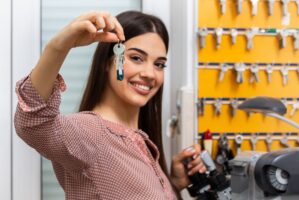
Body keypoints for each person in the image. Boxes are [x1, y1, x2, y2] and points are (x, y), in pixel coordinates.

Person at [14, 10, 206, 200]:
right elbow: (33, 123)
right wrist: (59, 46)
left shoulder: (141, 142)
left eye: (159, 64)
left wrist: (173, 185)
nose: (150, 73)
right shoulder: (87, 132)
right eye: (136, 58)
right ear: (108, 61)